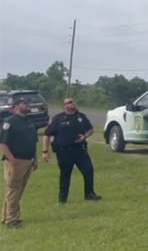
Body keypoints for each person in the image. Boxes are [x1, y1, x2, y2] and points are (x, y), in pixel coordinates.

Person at [42, 97, 101, 203]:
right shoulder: (58, 119)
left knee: (88, 170)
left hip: (80, 150)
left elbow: (90, 129)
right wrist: (45, 151)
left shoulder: (81, 117)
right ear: (64, 106)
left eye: (74, 102)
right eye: (69, 102)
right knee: (65, 174)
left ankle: (90, 194)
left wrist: (85, 136)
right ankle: (62, 199)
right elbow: (47, 135)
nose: (73, 103)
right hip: (64, 151)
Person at [0, 97, 39, 228]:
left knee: (18, 190)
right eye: (24, 104)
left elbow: (33, 141)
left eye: (28, 103)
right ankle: (12, 220)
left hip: (28, 160)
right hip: (16, 161)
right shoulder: (9, 122)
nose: (28, 105)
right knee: (13, 189)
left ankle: (6, 216)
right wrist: (11, 159)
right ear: (16, 106)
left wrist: (35, 158)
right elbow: (3, 143)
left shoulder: (29, 121)